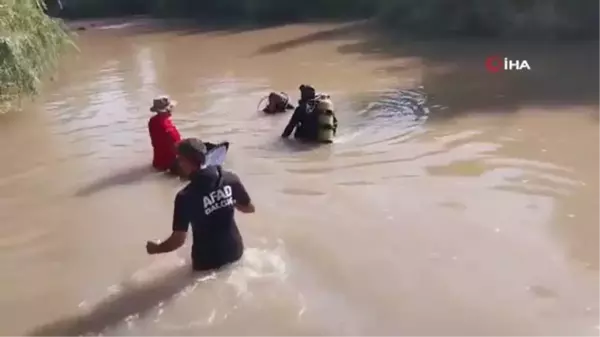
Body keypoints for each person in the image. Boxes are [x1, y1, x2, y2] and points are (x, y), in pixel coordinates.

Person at [146, 138, 255, 271]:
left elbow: (178, 241)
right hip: (235, 252)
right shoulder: (229, 178)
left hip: (207, 262)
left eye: (179, 159)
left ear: (186, 162)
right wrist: (227, 200)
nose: (178, 163)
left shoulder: (185, 196)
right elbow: (249, 208)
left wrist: (156, 248)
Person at [148, 96, 181, 174]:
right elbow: (176, 146)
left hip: (158, 161)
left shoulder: (153, 120)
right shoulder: (166, 126)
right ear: (168, 110)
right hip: (168, 165)